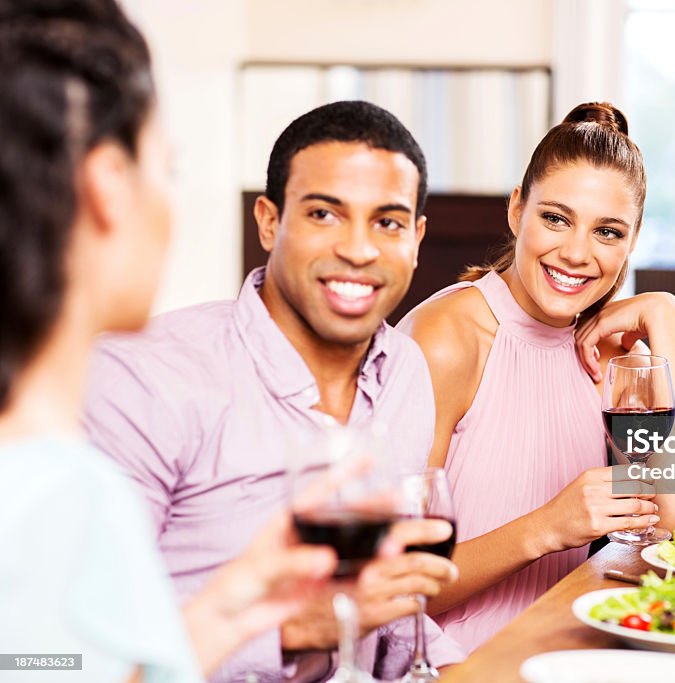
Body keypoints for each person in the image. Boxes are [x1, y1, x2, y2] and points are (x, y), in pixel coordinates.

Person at [0, 1, 414, 681]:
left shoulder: (48, 473)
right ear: (108, 185)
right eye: (168, 167)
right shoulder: (61, 488)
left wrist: (235, 603)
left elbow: (73, 668)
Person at [81, 100, 463, 680]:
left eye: (387, 222)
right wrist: (286, 633)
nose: (359, 250)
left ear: (416, 238)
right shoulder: (141, 379)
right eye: (324, 214)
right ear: (268, 221)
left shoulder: (406, 369)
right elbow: (57, 658)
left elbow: (385, 610)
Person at [398, 102, 675, 651]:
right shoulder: (445, 338)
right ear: (517, 210)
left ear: (633, 241)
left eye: (608, 232)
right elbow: (399, 586)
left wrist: (668, 317)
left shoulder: (611, 355)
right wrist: (548, 527)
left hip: (563, 655)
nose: (576, 253)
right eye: (556, 218)